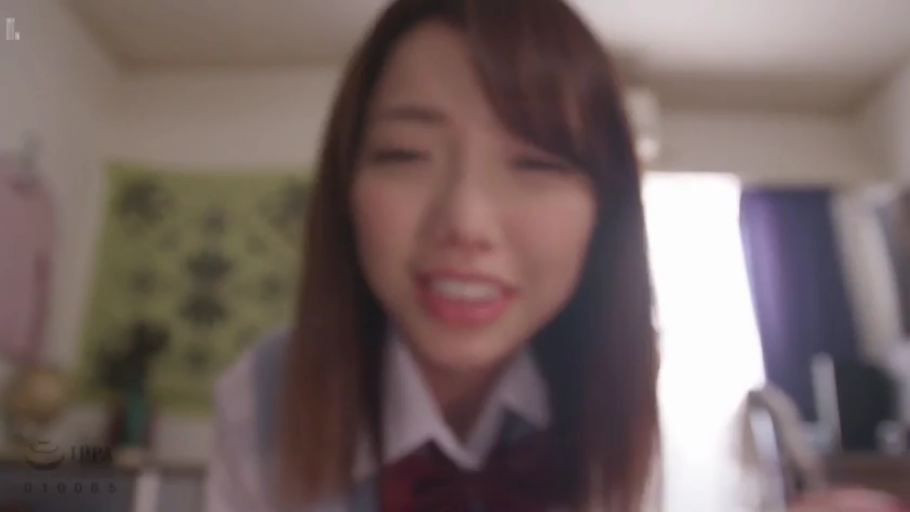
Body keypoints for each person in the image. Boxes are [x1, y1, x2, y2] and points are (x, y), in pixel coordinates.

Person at [204, 0, 904, 511]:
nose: (466, 222)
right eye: (406, 153)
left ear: (606, 210)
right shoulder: (263, 396)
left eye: (537, 162)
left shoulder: (625, 396)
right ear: (345, 187)